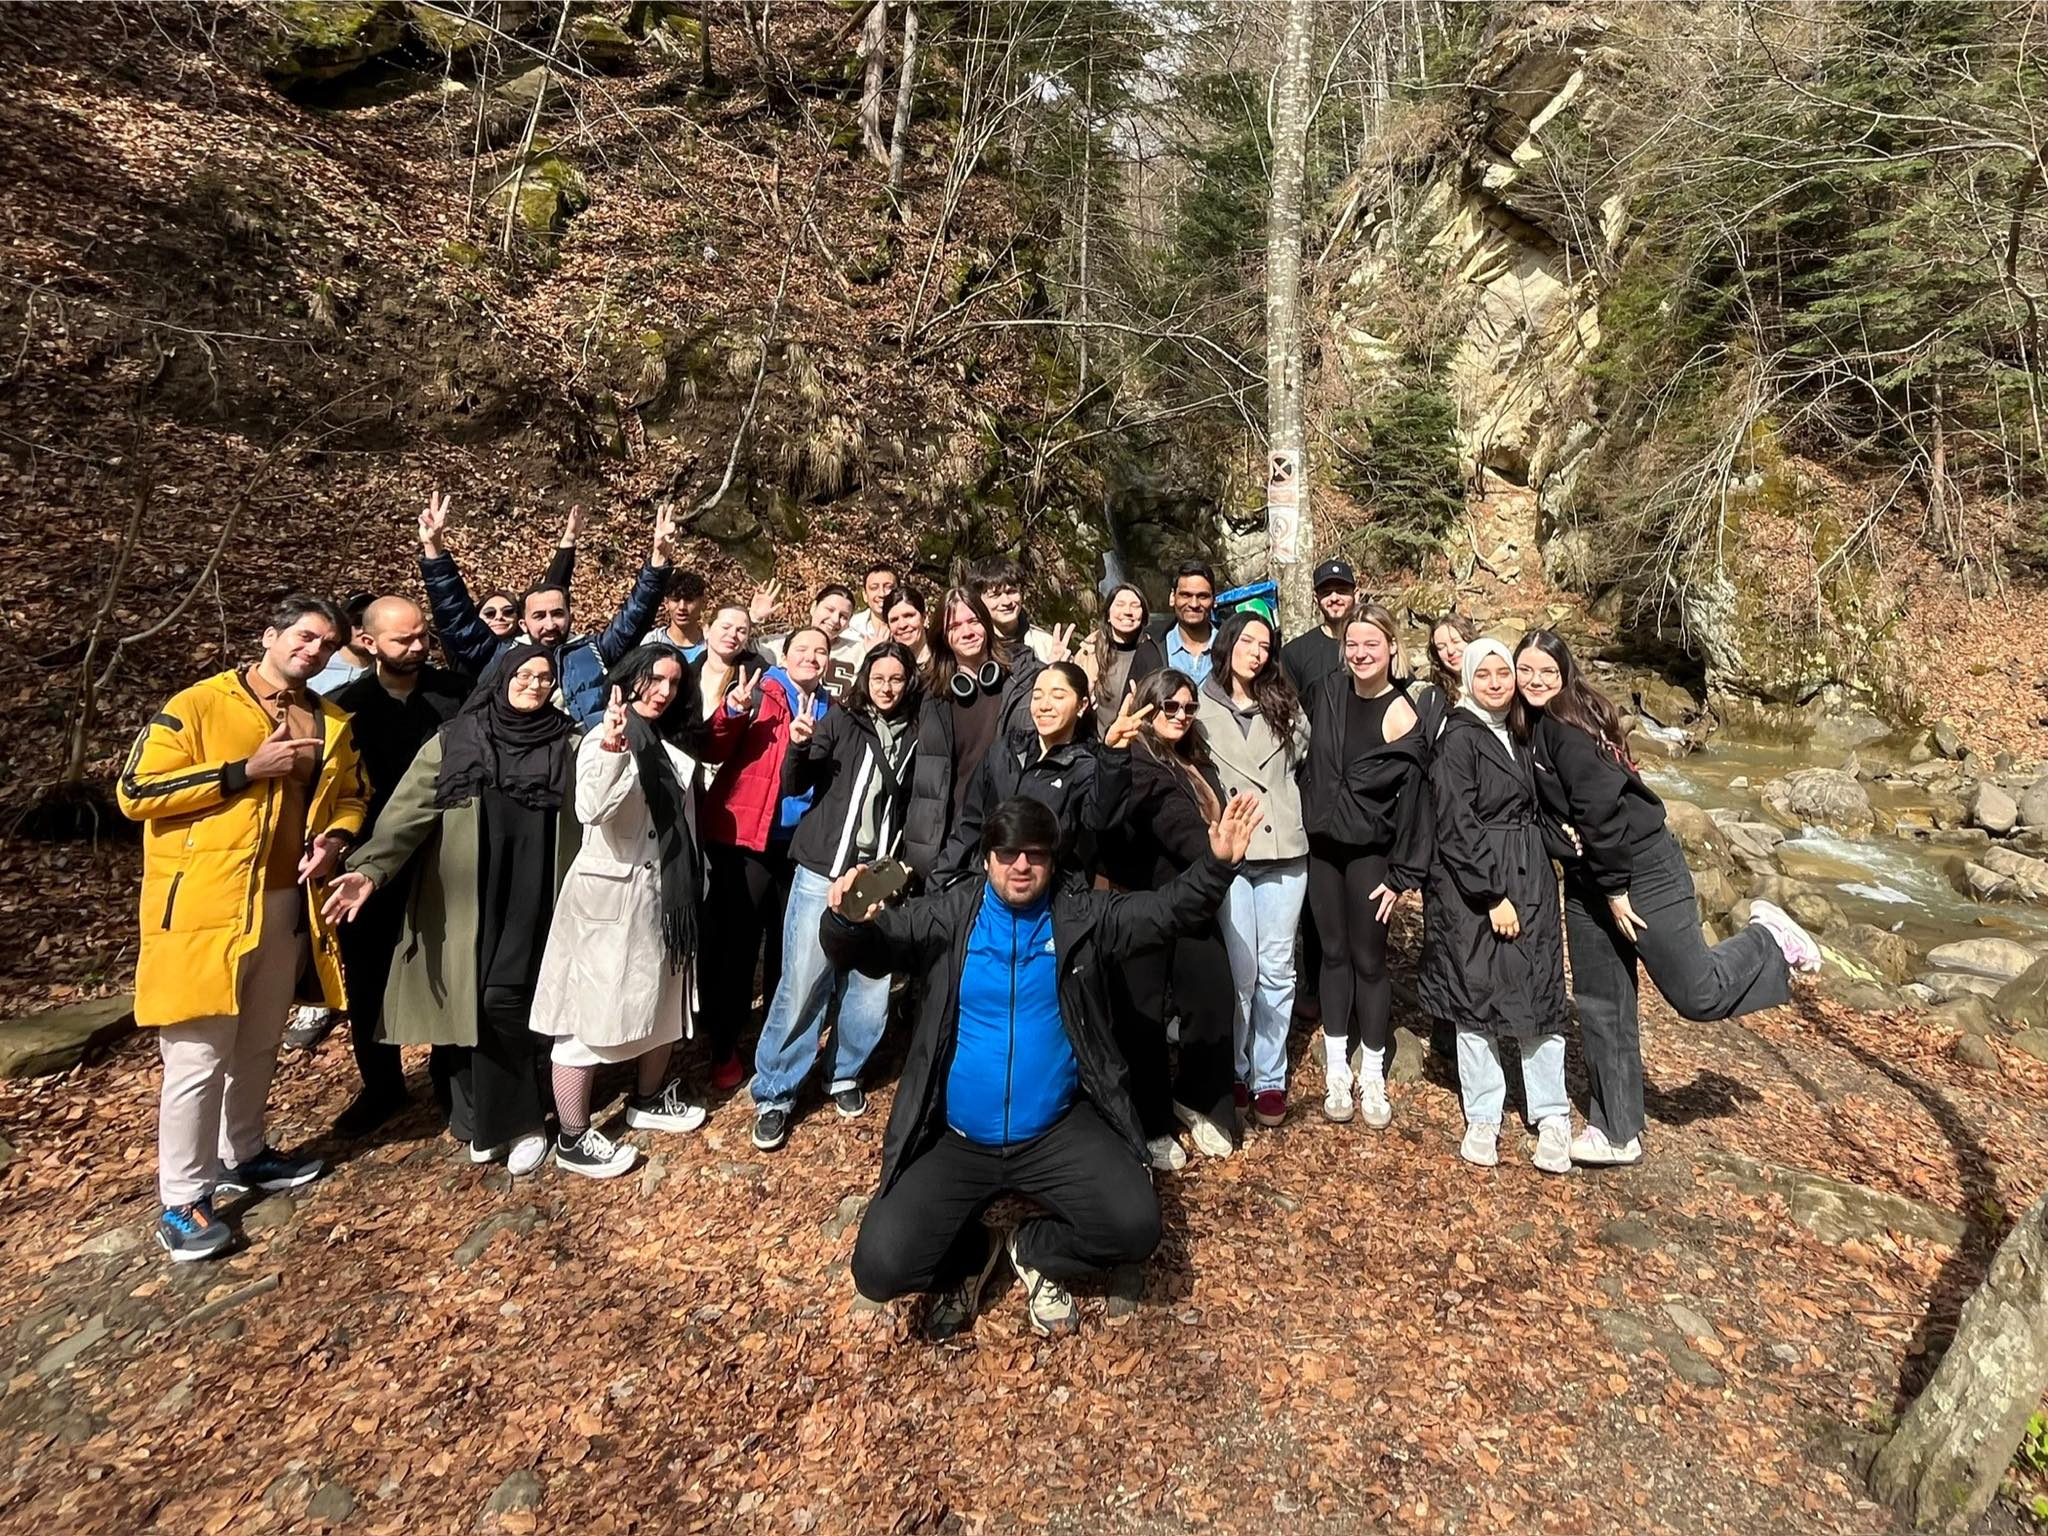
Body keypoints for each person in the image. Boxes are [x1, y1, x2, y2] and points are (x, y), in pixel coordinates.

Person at [841, 793, 1263, 1339]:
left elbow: (1165, 913)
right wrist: (846, 924)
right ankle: (976, 1252)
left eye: (1036, 854)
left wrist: (1218, 865)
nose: (1022, 865)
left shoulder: (1078, 916)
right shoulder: (949, 916)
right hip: (960, 1137)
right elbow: (872, 948)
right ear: (987, 857)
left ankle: (1033, 1247)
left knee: (1136, 1227)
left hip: (1055, 1130)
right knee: (879, 1267)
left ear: (1052, 859)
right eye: (1008, 852)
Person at [118, 595, 368, 1262]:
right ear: (269, 635)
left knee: (259, 1042)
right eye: (304, 637)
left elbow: (352, 795)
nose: (313, 651)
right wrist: (241, 773)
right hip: (204, 908)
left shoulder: (330, 719)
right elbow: (135, 792)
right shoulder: (200, 704)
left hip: (288, 904)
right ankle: (182, 1200)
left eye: (326, 644)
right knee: (197, 1058)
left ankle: (245, 1152)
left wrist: (336, 840)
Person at [1514, 629, 1820, 1166]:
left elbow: (1602, 815)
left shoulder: (1567, 728)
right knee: (1602, 1004)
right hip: (1590, 878)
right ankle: (1616, 1131)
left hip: (1640, 870)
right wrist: (1569, 848)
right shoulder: (1531, 724)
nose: (1535, 681)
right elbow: (1551, 814)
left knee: (1697, 993)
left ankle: (1768, 938)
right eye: (1526, 670)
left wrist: (1615, 889)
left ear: (1565, 675)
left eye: (1547, 672)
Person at [323, 649, 581, 1176]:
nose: (534, 685)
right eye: (523, 675)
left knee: (501, 1001)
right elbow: (405, 815)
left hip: (537, 891)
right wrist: (369, 870)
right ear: (501, 679)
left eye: (544, 677)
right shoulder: (454, 741)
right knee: (465, 1006)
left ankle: (520, 1123)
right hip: (466, 897)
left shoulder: (569, 743)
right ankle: (479, 1118)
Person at [527, 649, 711, 1178]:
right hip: (609, 902)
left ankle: (647, 1099)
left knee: (663, 1005)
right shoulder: (604, 737)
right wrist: (612, 747)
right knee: (585, 1020)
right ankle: (572, 1135)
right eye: (653, 679)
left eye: (673, 683)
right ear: (629, 679)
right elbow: (591, 808)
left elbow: (685, 822)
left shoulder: (669, 744)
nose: (662, 691)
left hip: (666, 900)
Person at [749, 642, 924, 1151]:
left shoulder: (919, 729)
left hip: (879, 875)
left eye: (896, 678)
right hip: (823, 867)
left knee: (870, 985)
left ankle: (844, 1070)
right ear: (866, 678)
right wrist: (798, 745)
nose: (887, 687)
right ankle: (776, 1091)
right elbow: (795, 782)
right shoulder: (843, 719)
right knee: (804, 979)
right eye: (879, 677)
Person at [1420, 639, 1573, 1172]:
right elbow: (1456, 822)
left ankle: (1551, 1114)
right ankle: (1484, 1114)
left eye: (1502, 673)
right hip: (1476, 884)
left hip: (1530, 870)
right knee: (1477, 996)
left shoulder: (1522, 730)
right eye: (1482, 674)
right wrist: (1491, 895)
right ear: (1467, 679)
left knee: (1539, 991)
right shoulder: (1458, 737)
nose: (1494, 683)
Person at [322, 596, 468, 1134]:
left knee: (450, 966)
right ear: (367, 642)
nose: (417, 647)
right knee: (368, 978)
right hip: (368, 861)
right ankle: (382, 1086)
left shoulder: (458, 695)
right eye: (403, 640)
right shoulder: (343, 710)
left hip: (448, 855)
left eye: (422, 636)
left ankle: (451, 1078)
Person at [1299, 604, 1432, 1128]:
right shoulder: (1327, 692)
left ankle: (1372, 1072)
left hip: (1370, 852)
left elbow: (1416, 801)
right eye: (1352, 644)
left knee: (1369, 961)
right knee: (1332, 954)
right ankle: (1337, 1068)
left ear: (1391, 647)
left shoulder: (1401, 714)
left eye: (1371, 644)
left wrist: (1402, 874)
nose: (1360, 654)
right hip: (1323, 847)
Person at [1103, 668, 1242, 1164]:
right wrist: (1218, 851)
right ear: (1149, 706)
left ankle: (1200, 1098)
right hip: (1142, 901)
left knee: (1212, 996)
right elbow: (1174, 825)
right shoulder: (1135, 759)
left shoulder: (1192, 759)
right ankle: (1150, 1120)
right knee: (1142, 1015)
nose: (1181, 715)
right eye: (1170, 706)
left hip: (1193, 900)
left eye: (1188, 707)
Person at [695, 627, 832, 1092]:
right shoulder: (759, 691)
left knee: (788, 946)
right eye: (802, 649)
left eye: (821, 651)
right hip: (745, 838)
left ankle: (778, 1039)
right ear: (785, 656)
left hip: (800, 846)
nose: (811, 657)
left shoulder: (832, 707)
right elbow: (713, 746)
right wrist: (733, 710)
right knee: (736, 945)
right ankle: (724, 1043)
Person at [416, 490, 670, 726]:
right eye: (539, 616)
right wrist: (434, 551)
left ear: (570, 616)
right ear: (523, 623)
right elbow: (456, 615)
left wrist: (658, 562)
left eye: (557, 614)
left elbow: (635, 616)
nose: (550, 624)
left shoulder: (595, 651)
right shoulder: (499, 655)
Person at [1198, 609, 1310, 1127]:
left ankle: (1270, 1076)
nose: (1257, 653)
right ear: (1228, 643)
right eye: (1248, 642)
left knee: (1278, 969)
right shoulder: (1199, 704)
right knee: (1241, 971)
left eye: (1265, 646)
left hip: (1284, 848)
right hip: (1235, 853)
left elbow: (1301, 755)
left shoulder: (1283, 701)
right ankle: (1235, 1067)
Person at [934, 661, 1148, 887]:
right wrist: (941, 883)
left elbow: (1101, 819)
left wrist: (1114, 755)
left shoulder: (1087, 767)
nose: (1044, 705)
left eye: (1058, 696)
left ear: (1082, 705)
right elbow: (968, 824)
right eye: (1037, 696)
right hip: (989, 888)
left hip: (1050, 894)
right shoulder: (1004, 750)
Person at [902, 586, 1047, 881]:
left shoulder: (1024, 680)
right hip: (948, 842)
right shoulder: (932, 694)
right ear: (943, 636)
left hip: (1006, 836)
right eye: (954, 626)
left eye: (973, 621)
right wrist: (919, 856)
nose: (966, 632)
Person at [759, 583, 864, 695]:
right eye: (830, 610)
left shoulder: (858, 651)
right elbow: (746, 649)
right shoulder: (779, 644)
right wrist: (754, 618)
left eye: (844, 616)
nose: (835, 619)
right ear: (814, 607)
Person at [1078, 581, 1165, 714]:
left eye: (1135, 606)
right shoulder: (1089, 652)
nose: (1127, 612)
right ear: (1108, 615)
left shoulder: (1155, 652)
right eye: (1120, 604)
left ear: (1143, 616)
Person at [1279, 559, 1358, 697]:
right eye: (1326, 593)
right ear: (1316, 599)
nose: (1334, 598)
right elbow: (1287, 704)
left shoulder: (1373, 646)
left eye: (1342, 591)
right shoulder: (1295, 653)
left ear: (1356, 594)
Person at [969, 556, 1056, 663]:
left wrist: (1056, 668)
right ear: (978, 600)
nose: (1006, 602)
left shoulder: (1046, 645)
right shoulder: (972, 647)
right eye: (995, 595)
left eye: (1011, 592)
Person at [1161, 560, 1218, 686]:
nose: (1194, 604)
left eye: (1202, 596)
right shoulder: (1152, 649)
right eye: (1185, 595)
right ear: (1172, 597)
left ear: (1214, 600)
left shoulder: (1233, 646)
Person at [308, 591, 376, 695]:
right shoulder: (314, 665)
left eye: (372, 622)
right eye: (357, 620)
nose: (364, 628)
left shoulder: (389, 674)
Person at [648, 569, 710, 658]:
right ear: (666, 603)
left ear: (703, 603)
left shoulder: (712, 645)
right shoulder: (653, 642)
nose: (682, 607)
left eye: (689, 600)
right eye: (676, 600)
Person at [844, 560, 900, 651]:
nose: (882, 594)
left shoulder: (910, 629)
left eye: (888, 587)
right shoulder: (850, 631)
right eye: (874, 588)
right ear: (865, 595)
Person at [1428, 612, 1483, 704]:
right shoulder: (1434, 699)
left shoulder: (1497, 685)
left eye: (1456, 641)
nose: (1450, 651)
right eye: (1441, 647)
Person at [882, 584, 934, 671]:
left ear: (924, 617)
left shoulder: (945, 659)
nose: (902, 625)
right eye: (894, 620)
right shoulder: (884, 666)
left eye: (909, 616)